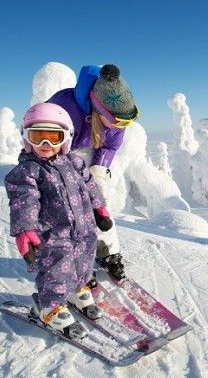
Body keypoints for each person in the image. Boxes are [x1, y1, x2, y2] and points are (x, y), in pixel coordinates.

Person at [4, 102, 114, 339]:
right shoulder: (28, 171)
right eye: (37, 137)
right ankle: (49, 306)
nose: (45, 145)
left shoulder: (74, 162)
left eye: (53, 137)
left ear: (65, 138)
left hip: (84, 229)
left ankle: (75, 290)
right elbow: (25, 199)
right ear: (26, 138)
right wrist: (25, 230)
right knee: (56, 270)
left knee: (84, 263)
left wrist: (99, 208)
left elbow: (89, 185)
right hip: (53, 235)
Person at [47, 63, 138, 279]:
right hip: (59, 153)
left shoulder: (116, 124)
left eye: (129, 120)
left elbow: (111, 146)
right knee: (69, 209)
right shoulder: (64, 107)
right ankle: (73, 258)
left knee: (99, 204)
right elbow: (43, 137)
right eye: (118, 120)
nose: (122, 126)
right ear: (99, 108)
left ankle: (108, 252)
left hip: (90, 153)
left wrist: (98, 170)